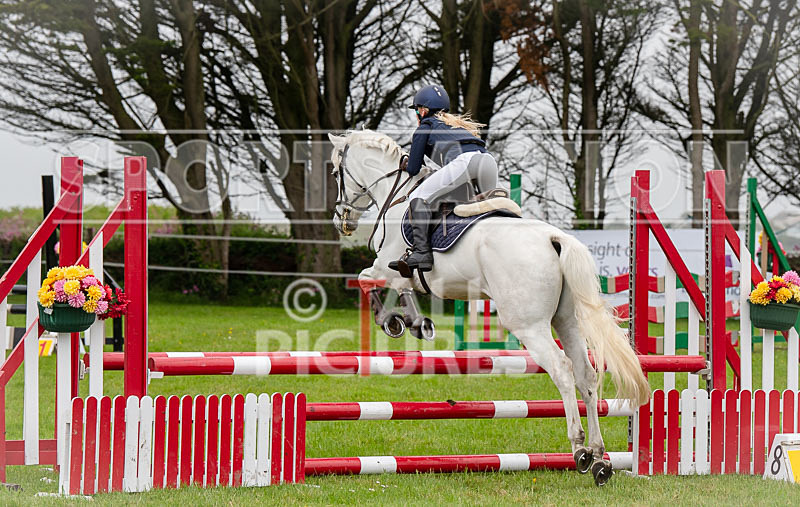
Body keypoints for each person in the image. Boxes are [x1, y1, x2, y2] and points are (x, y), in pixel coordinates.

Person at [389, 84, 499, 277]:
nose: (417, 113)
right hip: (488, 162)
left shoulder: (425, 126)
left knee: (418, 195)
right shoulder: (454, 125)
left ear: (423, 110)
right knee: (488, 209)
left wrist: (405, 163)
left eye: (416, 109)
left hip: (466, 162)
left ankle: (421, 253)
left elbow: (414, 168)